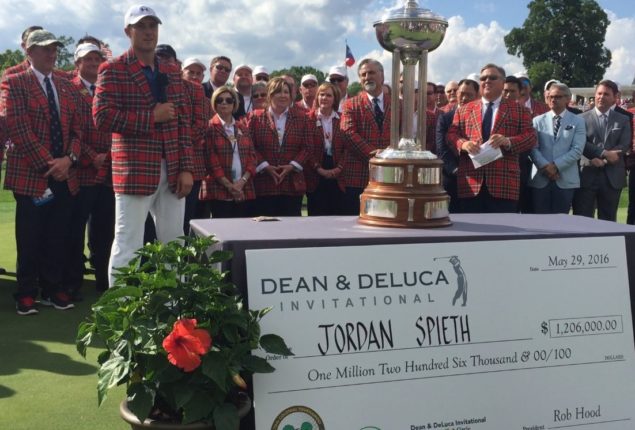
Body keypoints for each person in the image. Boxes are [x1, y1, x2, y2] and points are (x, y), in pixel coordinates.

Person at [93, 4, 194, 287]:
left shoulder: (172, 71)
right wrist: (151, 117)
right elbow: (101, 117)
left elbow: (183, 121)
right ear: (128, 31)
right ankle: (119, 318)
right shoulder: (111, 69)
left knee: (175, 245)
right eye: (142, 26)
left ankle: (176, 311)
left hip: (173, 170)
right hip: (135, 170)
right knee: (128, 244)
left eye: (153, 26)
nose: (149, 32)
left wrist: (187, 167)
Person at [2, 30, 82, 314]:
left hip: (64, 174)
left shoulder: (66, 84)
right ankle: (25, 291)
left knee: (57, 235)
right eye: (45, 49)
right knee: (30, 236)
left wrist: (69, 160)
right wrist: (53, 164)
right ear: (29, 52)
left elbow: (77, 128)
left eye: (54, 49)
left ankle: (52, 288)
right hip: (32, 175)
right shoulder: (15, 82)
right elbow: (18, 129)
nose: (52, 54)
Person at [447, 63, 536, 213]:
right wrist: (463, 144)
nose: (487, 81)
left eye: (492, 78)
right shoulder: (464, 110)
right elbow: (451, 135)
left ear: (503, 83)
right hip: (471, 184)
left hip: (504, 184)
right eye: (483, 78)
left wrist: (508, 141)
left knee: (502, 233)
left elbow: (531, 137)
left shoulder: (520, 110)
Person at [64, 43, 113, 299]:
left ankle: (105, 282)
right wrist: (92, 156)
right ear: (77, 63)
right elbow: (69, 131)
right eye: (88, 59)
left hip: (108, 174)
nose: (94, 63)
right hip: (81, 173)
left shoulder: (108, 88)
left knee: (105, 231)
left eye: (97, 58)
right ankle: (73, 282)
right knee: (75, 229)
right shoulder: (69, 89)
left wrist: (109, 155)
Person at [248, 77, 309, 216]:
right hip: (264, 183)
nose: (283, 95)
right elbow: (250, 147)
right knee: (264, 228)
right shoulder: (255, 117)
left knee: (291, 229)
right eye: (278, 92)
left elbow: (307, 148)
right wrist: (264, 166)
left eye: (286, 92)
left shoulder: (302, 117)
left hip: (291, 183)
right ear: (270, 94)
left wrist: (292, 166)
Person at [573, 80, 631, 221]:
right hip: (587, 173)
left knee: (609, 220)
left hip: (612, 177)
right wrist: (600, 154)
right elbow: (580, 143)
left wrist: (604, 160)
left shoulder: (623, 119)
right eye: (599, 93)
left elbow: (624, 145)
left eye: (606, 94)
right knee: (583, 219)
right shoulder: (580, 119)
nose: (601, 97)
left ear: (614, 97)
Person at [340, 59, 391, 215]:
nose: (367, 77)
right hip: (358, 176)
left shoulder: (398, 104)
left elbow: (405, 133)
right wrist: (374, 154)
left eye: (372, 73)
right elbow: (348, 133)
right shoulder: (350, 104)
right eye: (363, 74)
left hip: (389, 176)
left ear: (382, 76)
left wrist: (390, 154)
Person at [529, 83, 585, 214]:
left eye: (558, 97)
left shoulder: (578, 121)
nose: (553, 100)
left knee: (561, 223)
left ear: (568, 98)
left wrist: (555, 166)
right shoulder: (537, 120)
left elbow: (577, 150)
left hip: (565, 179)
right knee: (539, 222)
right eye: (551, 97)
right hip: (540, 178)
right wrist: (545, 166)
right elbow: (532, 147)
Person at [200, 86, 256, 218]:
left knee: (243, 232)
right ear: (214, 104)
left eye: (229, 100)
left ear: (234, 104)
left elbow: (252, 157)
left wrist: (241, 182)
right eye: (220, 100)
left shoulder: (243, 127)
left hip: (243, 187)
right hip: (219, 190)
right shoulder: (208, 127)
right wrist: (231, 187)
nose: (224, 103)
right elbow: (211, 161)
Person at [436, 78, 479, 213]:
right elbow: (441, 148)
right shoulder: (445, 117)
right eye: (461, 94)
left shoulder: (482, 115)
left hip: (477, 177)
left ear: (477, 96)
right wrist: (455, 170)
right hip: (452, 176)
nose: (464, 98)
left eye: (469, 95)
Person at [305, 82, 348, 215]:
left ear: (335, 98)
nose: (324, 98)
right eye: (321, 94)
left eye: (328, 95)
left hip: (338, 174)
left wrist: (338, 168)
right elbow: (307, 148)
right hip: (315, 174)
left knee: (337, 214)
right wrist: (319, 169)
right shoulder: (308, 119)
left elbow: (347, 148)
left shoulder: (342, 119)